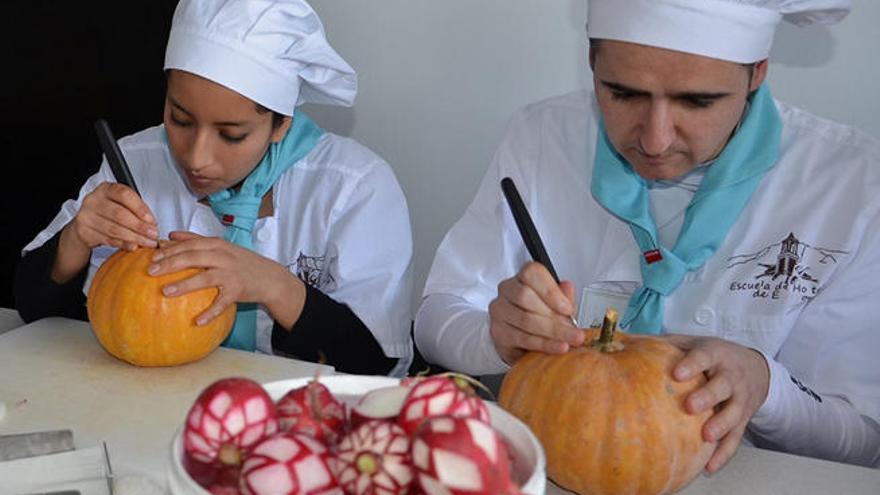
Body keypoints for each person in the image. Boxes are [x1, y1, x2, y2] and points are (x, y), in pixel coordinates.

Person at [416, 0, 879, 469]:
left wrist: (766, 385)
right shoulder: (542, 137)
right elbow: (436, 319)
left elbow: (865, 441)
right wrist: (496, 336)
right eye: (622, 93)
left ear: (756, 73)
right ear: (591, 63)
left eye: (697, 101)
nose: (655, 140)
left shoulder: (851, 185)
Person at [14, 0, 414, 376]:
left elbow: (378, 364)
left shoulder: (353, 187)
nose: (197, 158)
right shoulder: (136, 162)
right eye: (180, 119)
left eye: (232, 135)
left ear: (282, 124)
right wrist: (75, 240)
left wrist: (277, 287)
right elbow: (32, 311)